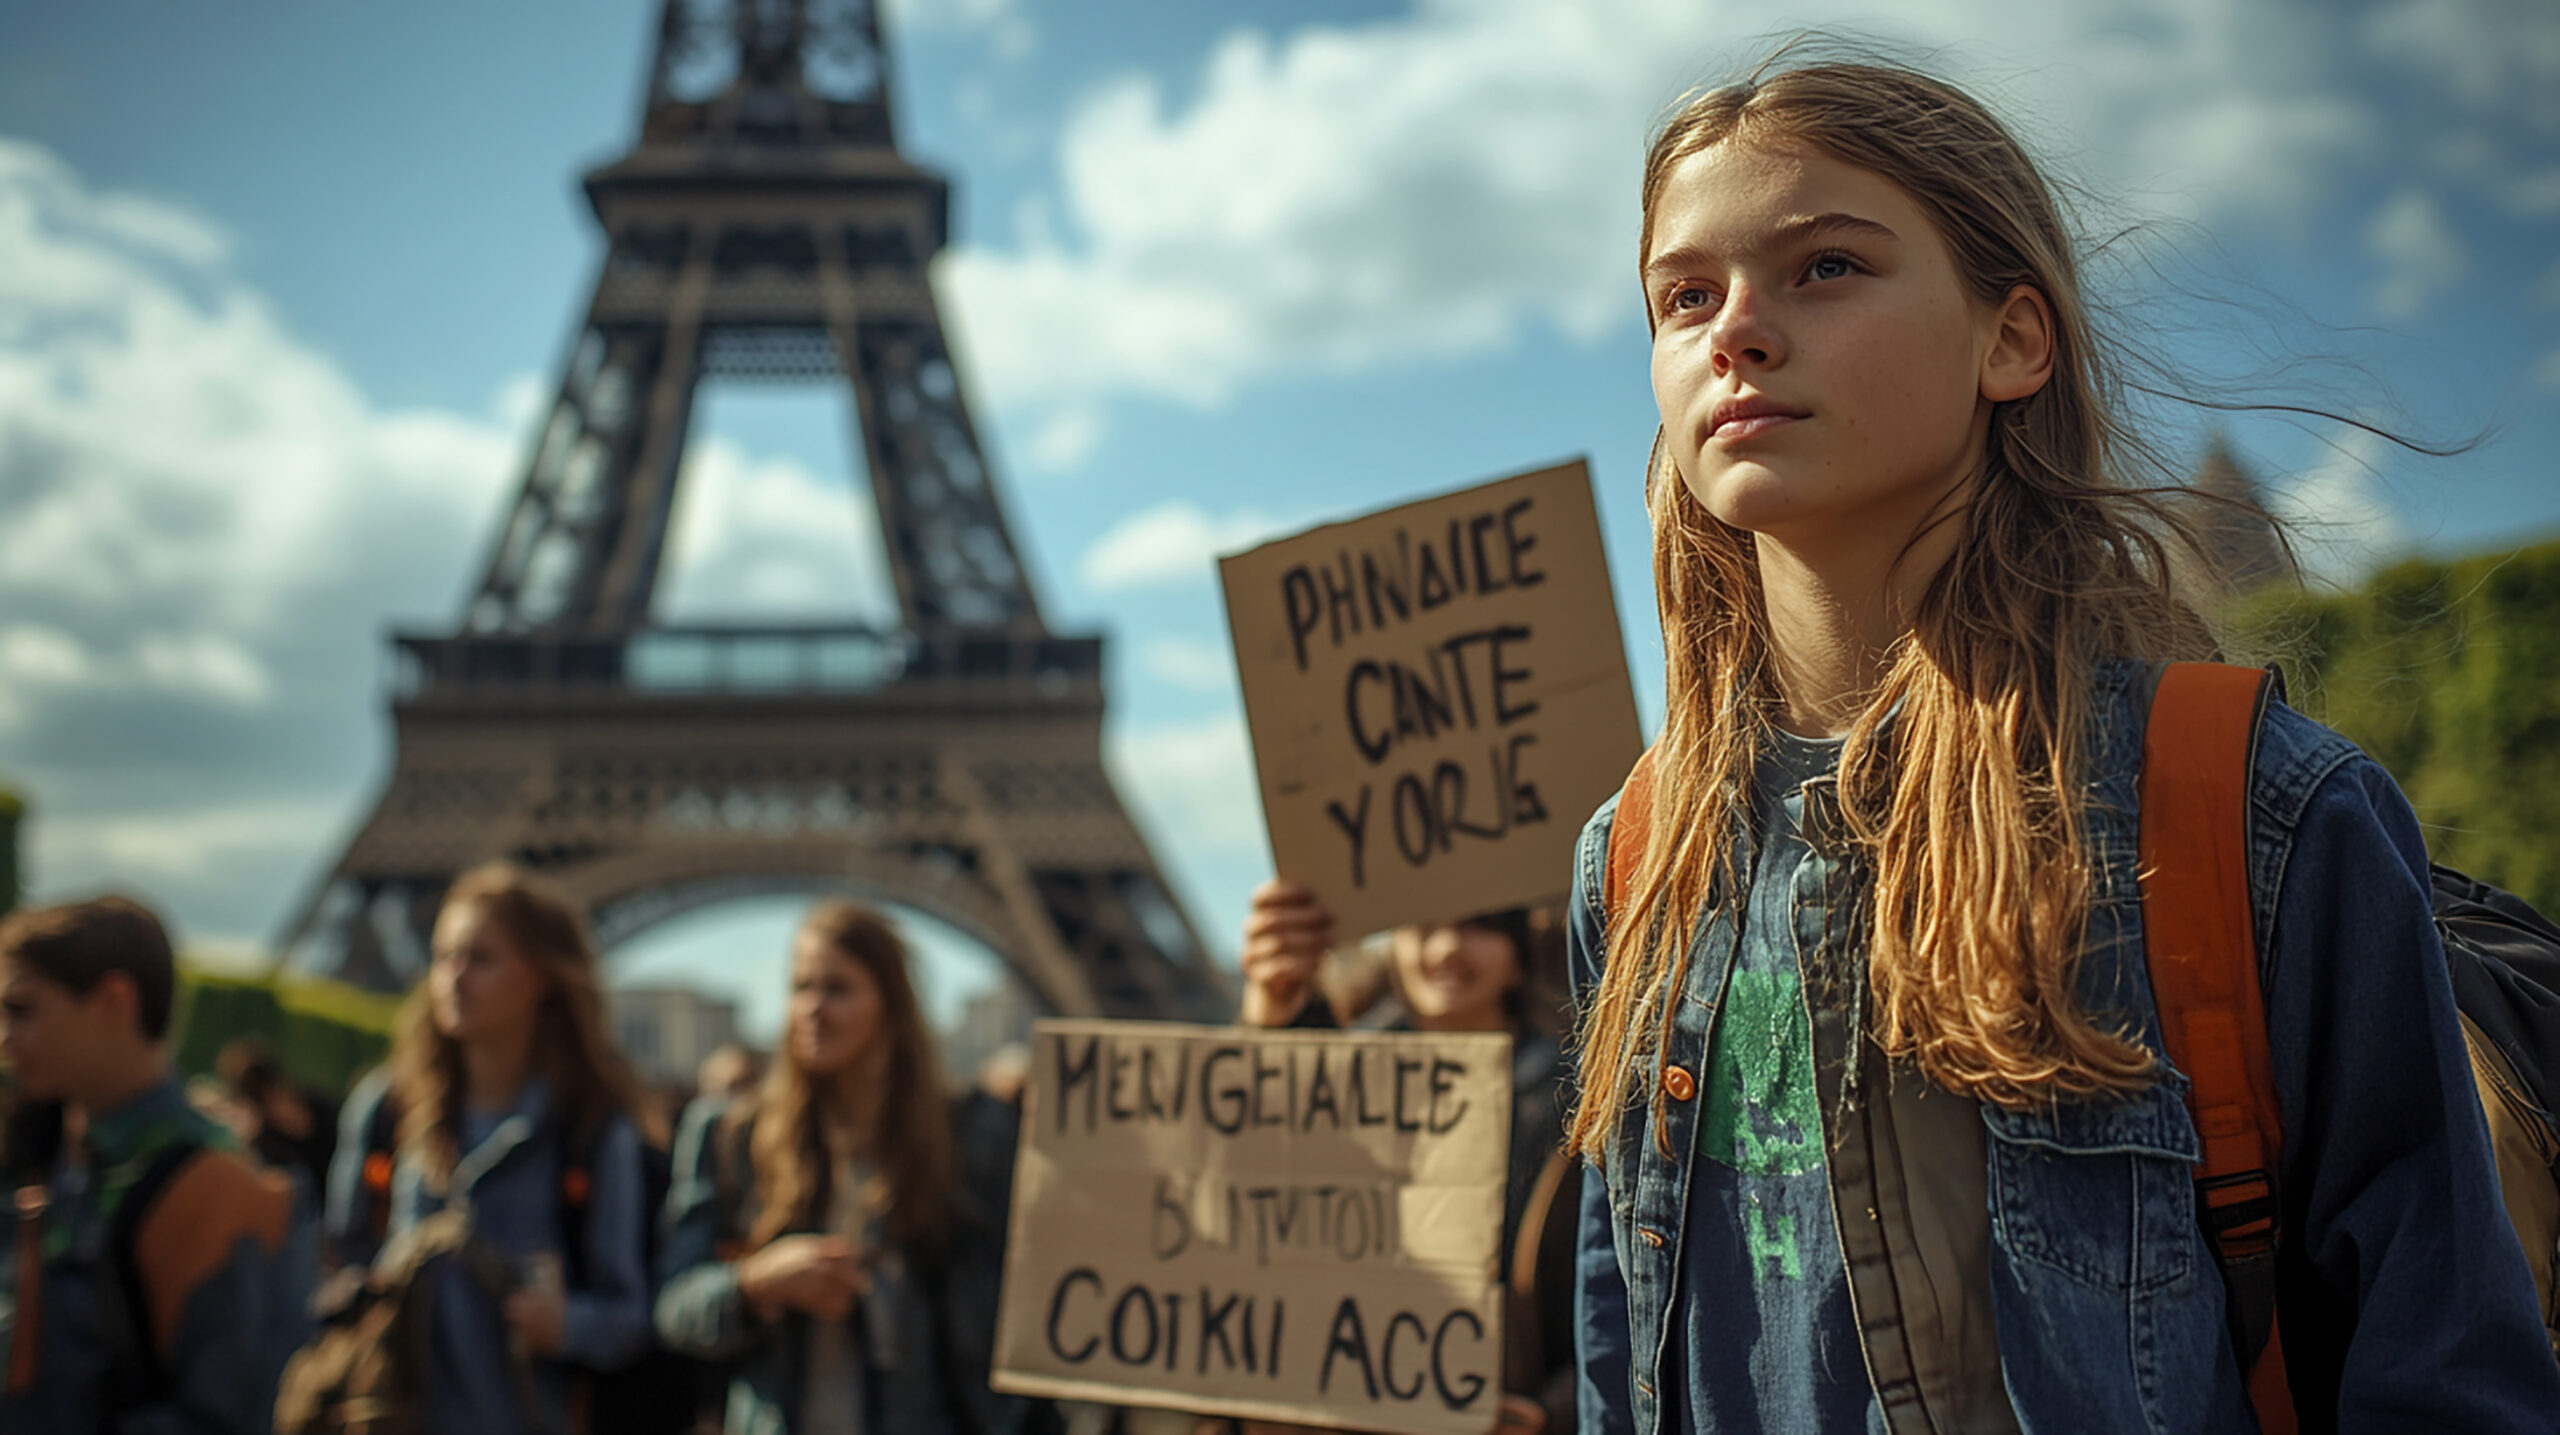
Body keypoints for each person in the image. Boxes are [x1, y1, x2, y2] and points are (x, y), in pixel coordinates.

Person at [1564, 50, 2560, 1435]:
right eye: (1686, 294)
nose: (1735, 328)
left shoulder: (2255, 807)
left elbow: (2446, 1370)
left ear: (2012, 339)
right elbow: (1624, 1350)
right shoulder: (1634, 857)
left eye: (1826, 267)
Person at [655, 899, 1028, 1434]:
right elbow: (673, 1308)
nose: (812, 1007)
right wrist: (755, 1283)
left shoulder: (969, 1136)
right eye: (800, 987)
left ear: (891, 1005)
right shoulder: (730, 1136)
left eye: (837, 989)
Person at [324, 861, 660, 1434]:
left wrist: (567, 1324)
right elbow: (333, 1266)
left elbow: (632, 1318)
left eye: (480, 958)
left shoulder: (593, 1131)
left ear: (543, 977)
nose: (454, 977)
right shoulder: (385, 1111)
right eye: (443, 956)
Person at [1238, 886, 1575, 1434]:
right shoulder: (1331, 1081)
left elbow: (1621, 1300)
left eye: (1478, 925)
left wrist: (1550, 1416)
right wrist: (1270, 1010)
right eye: (1420, 926)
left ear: (1519, 958)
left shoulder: (1583, 1108)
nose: (1444, 949)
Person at [0, 896, 310, 1433]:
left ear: (115, 1000)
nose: (4, 1038)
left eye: (22, 1009)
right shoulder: (47, 1150)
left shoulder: (217, 1186)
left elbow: (224, 1415)